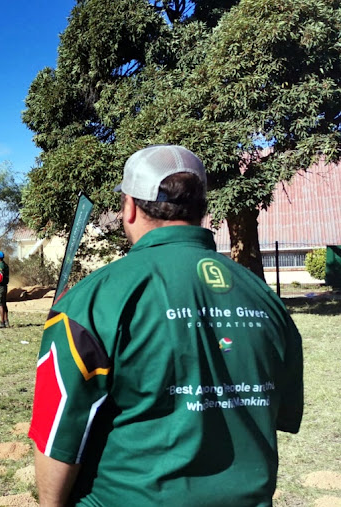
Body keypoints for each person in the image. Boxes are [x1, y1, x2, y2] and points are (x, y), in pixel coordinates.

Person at [28, 145, 303, 506]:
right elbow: (278, 412)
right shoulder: (266, 299)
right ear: (202, 209)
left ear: (128, 207)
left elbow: (58, 434)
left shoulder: (92, 300)